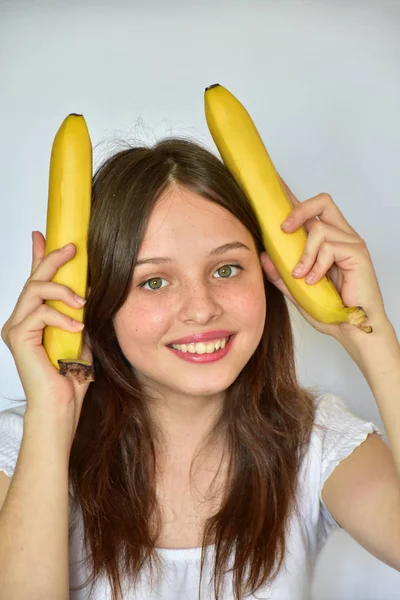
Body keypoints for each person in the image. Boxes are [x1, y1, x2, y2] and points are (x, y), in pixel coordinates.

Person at [0, 137, 399, 600]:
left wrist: (372, 337)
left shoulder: (318, 443)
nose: (201, 309)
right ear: (97, 301)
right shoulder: (23, 450)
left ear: (273, 277)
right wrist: (52, 413)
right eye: (153, 281)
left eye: (226, 269)